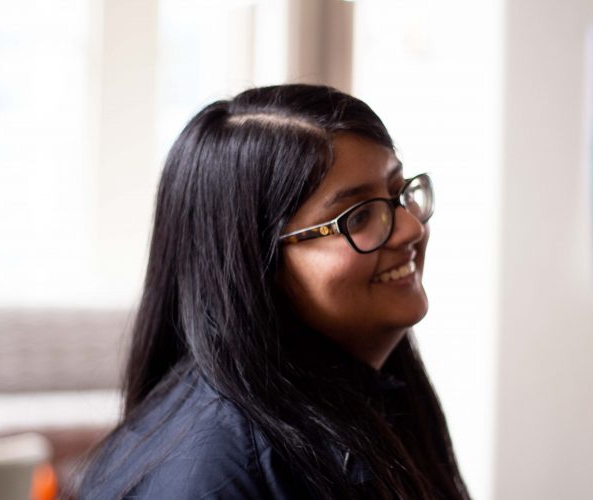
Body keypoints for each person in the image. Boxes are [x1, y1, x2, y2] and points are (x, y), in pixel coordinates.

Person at [79, 84, 470, 499]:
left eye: (397, 194)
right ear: (254, 264)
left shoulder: (375, 400)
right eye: (357, 217)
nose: (411, 228)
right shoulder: (210, 476)